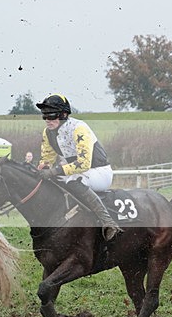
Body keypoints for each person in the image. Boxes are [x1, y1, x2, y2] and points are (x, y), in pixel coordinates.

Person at [35, 93, 122, 241]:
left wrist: (54, 171)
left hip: (99, 172)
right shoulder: (47, 133)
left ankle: (109, 223)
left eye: (51, 116)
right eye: (44, 116)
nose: (47, 120)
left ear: (63, 114)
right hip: (77, 172)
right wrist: (41, 168)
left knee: (73, 181)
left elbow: (83, 163)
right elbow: (47, 159)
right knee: (53, 182)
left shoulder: (79, 128)